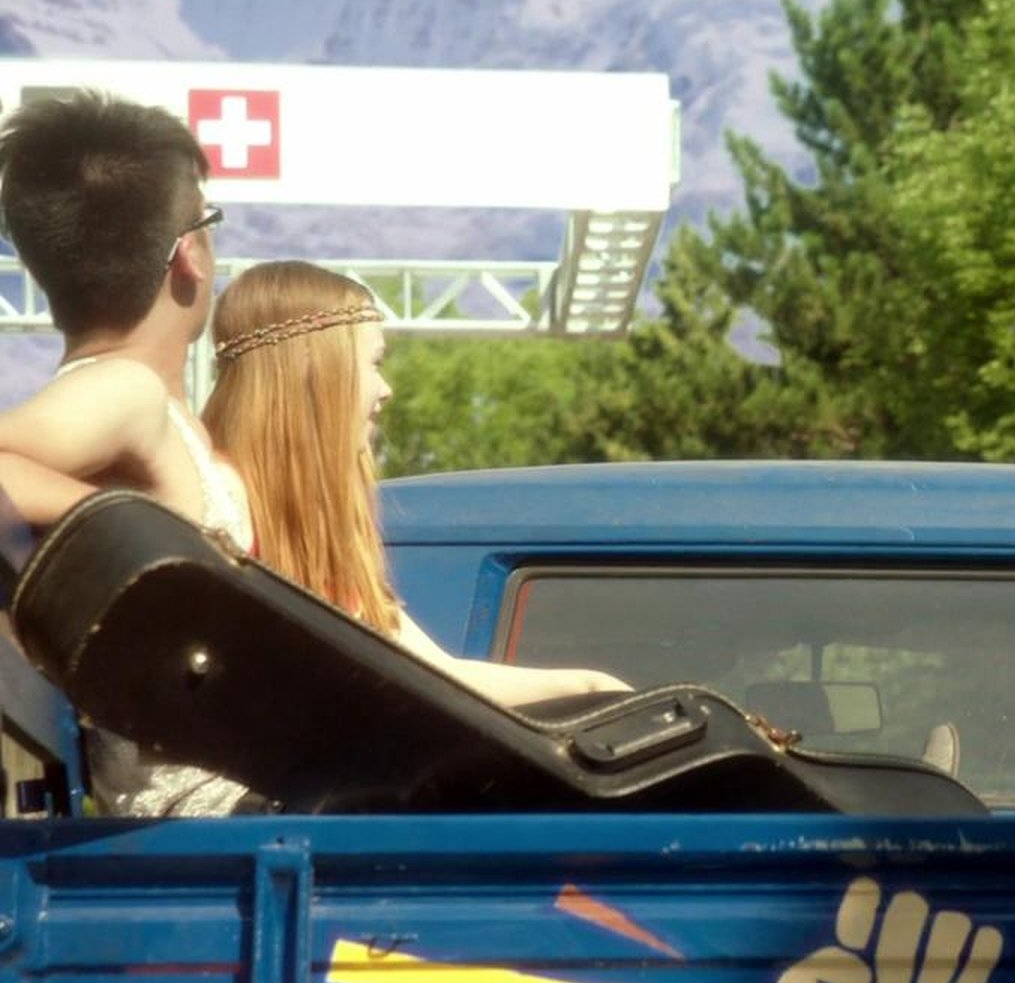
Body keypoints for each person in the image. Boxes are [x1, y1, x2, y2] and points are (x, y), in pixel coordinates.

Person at [202, 260, 631, 706]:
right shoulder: (220, 502)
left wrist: (589, 686)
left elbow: (437, 677)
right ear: (315, 368)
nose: (386, 388)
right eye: (374, 363)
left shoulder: (322, 546)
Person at [0, 90, 260, 815]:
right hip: (220, 826)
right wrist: (120, 523)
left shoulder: (145, 407)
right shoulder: (121, 391)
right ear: (189, 253)